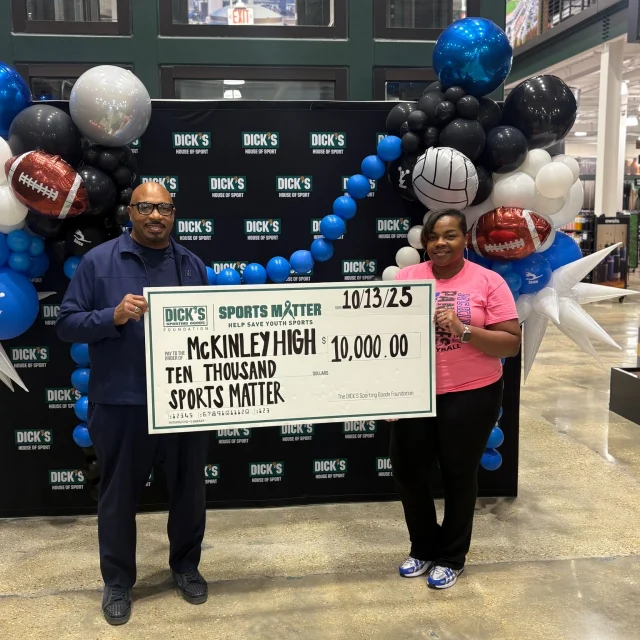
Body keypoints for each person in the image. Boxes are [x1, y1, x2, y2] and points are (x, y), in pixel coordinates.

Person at [56, 183, 211, 625]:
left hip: (184, 403)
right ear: (131, 212)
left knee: (189, 492)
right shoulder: (98, 262)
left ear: (173, 214)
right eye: (146, 207)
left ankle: (186, 566)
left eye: (164, 208)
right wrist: (114, 315)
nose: (155, 216)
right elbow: (66, 324)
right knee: (118, 498)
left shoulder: (192, 264)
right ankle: (118, 582)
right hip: (121, 402)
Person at [391, 208, 521, 590]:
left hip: (472, 393)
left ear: (465, 239)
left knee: (459, 475)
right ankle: (423, 548)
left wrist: (464, 330)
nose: (440, 243)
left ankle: (451, 557)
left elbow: (511, 344)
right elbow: (386, 342)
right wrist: (386, 395)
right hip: (416, 394)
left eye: (449, 235)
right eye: (433, 237)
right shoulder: (406, 278)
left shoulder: (488, 281)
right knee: (408, 473)